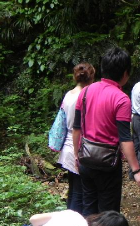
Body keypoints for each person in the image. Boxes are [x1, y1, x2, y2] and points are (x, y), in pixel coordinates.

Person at [73, 47, 140, 226]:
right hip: (108, 165)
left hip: (86, 159)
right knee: (107, 217)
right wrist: (137, 170)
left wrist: (78, 155)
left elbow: (76, 128)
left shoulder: (85, 93)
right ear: (125, 74)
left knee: (88, 212)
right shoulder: (121, 98)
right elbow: (125, 138)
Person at [57, 62, 95, 214]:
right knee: (80, 193)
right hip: (77, 147)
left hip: (67, 147)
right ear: (91, 78)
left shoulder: (69, 94)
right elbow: (80, 126)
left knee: (73, 190)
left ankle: (68, 223)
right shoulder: (84, 96)